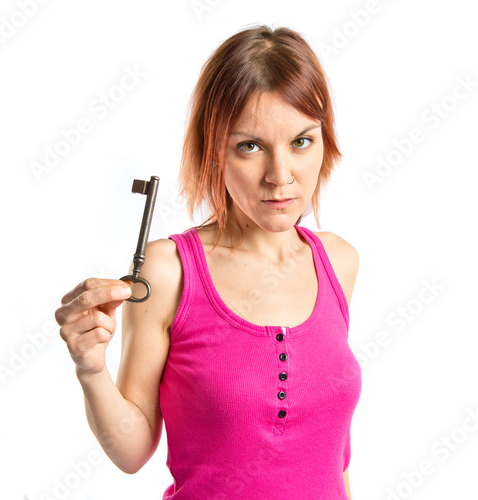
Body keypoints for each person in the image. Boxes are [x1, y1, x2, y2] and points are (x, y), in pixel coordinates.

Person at [55, 24, 362, 500]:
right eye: (250, 146)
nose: (280, 177)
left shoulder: (339, 262)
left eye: (301, 141)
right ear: (213, 151)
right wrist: (91, 369)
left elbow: (334, 459)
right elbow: (133, 451)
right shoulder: (169, 272)